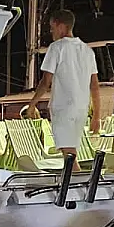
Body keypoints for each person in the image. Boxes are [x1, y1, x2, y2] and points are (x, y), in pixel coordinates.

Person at [24, 9, 101, 170]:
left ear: (61, 26)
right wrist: (96, 116)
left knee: (69, 155)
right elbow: (94, 85)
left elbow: (45, 81)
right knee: (71, 154)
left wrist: (32, 105)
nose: (51, 32)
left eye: (52, 27)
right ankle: (75, 181)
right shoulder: (87, 51)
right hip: (81, 109)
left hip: (63, 108)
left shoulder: (56, 48)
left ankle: (81, 182)